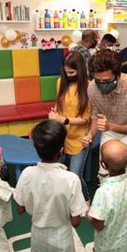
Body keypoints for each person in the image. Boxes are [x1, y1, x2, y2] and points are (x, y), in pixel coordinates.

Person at [13, 120, 87, 252]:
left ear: (36, 148)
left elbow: (20, 208)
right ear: (62, 149)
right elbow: (75, 221)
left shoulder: (27, 173)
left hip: (37, 233)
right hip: (61, 234)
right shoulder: (70, 179)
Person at [83, 49, 127, 179]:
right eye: (98, 80)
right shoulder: (92, 88)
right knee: (104, 172)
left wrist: (109, 126)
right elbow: (96, 114)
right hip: (109, 129)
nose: (101, 85)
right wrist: (90, 135)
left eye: (106, 81)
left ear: (118, 75)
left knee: (119, 173)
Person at [48, 51, 92, 201]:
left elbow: (86, 119)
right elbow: (58, 104)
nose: (69, 75)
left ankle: (85, 200)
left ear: (80, 70)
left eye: (72, 72)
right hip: (61, 135)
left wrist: (64, 120)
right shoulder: (61, 81)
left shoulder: (88, 87)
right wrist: (54, 114)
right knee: (56, 171)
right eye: (66, 72)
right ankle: (63, 199)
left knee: (74, 175)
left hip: (79, 138)